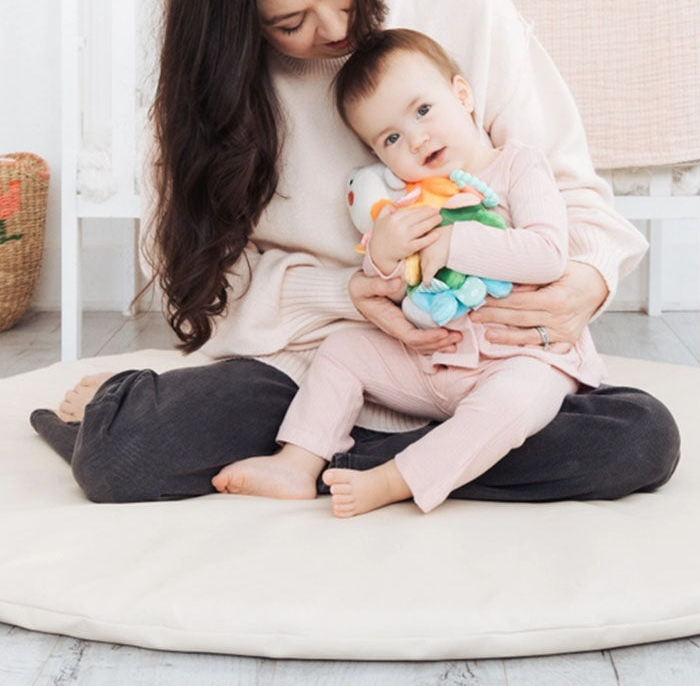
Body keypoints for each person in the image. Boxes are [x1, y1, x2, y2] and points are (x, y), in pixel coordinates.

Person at [30, 0, 679, 504]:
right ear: (239, 25)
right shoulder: (206, 100)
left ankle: (360, 466)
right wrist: (358, 291)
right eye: (291, 24)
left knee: (639, 437)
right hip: (315, 364)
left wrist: (585, 283)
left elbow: (569, 191)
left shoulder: (467, 4)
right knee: (122, 453)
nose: (336, 29)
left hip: (493, 353)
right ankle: (403, 456)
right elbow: (206, 282)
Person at [211, 28, 608, 517]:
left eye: (423, 111)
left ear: (462, 96)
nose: (416, 139)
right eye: (392, 138)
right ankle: (297, 461)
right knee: (342, 350)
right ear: (379, 156)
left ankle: (398, 476)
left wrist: (455, 242)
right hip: (437, 364)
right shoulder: (407, 201)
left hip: (521, 357)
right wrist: (381, 254)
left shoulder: (518, 167)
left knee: (513, 403)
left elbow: (548, 254)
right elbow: (392, 291)